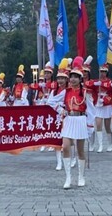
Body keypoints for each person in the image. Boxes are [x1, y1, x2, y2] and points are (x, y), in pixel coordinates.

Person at [54, 56, 90, 189]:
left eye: (76, 76)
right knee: (66, 146)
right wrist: (61, 110)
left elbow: (91, 110)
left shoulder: (85, 92)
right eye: (72, 76)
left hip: (80, 120)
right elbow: (52, 102)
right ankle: (68, 177)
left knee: (80, 150)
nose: (73, 78)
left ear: (80, 79)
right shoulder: (65, 92)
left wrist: (90, 126)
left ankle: (81, 176)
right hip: (69, 120)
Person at [46, 58, 69, 171]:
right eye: (59, 78)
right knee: (57, 139)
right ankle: (59, 162)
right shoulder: (54, 91)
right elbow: (49, 102)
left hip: (69, 117)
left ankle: (71, 159)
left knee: (69, 139)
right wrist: (59, 108)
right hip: (58, 117)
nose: (60, 80)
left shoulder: (70, 90)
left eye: (62, 78)